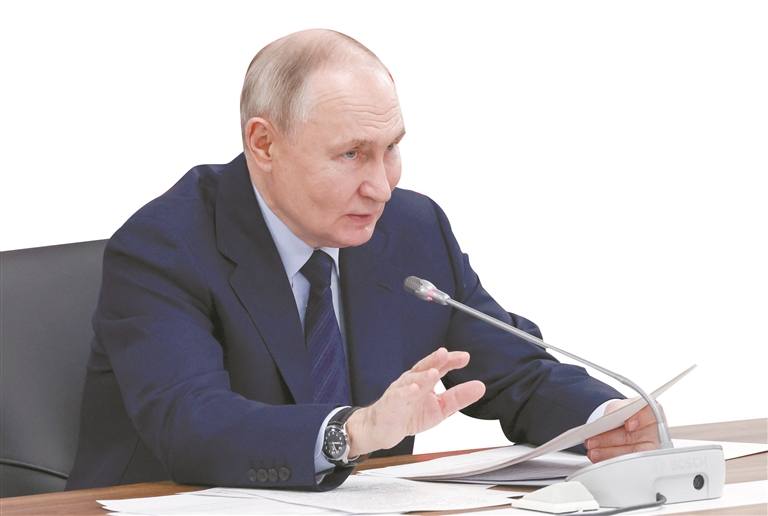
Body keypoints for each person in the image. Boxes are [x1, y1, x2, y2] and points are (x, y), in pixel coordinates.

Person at [66, 29, 663, 492]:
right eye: (352, 154)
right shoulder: (165, 246)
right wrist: (352, 432)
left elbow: (514, 374)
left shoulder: (411, 228)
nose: (381, 186)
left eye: (391, 148)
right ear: (263, 143)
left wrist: (607, 417)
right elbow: (191, 425)